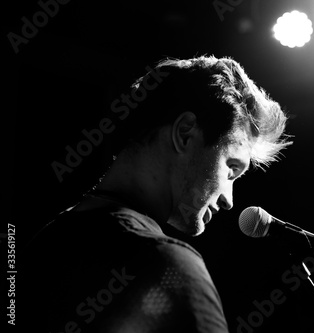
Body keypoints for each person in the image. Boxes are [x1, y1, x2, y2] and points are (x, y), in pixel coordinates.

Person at [22, 55, 291, 332]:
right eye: (231, 168)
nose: (229, 200)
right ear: (185, 134)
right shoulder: (169, 265)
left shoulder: (40, 245)